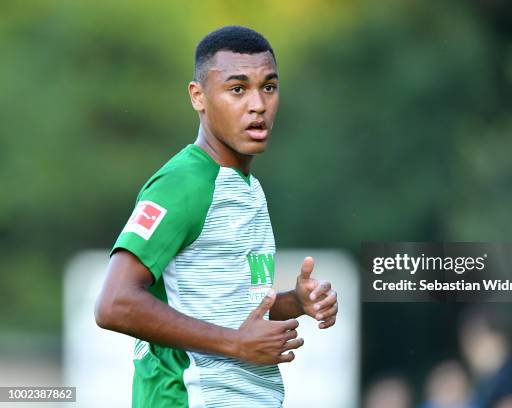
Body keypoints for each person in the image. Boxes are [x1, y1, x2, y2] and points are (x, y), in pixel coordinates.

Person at [94, 25, 339, 408]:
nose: (257, 104)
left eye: (269, 87)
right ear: (199, 97)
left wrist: (295, 302)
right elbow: (114, 303)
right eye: (237, 89)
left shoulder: (246, 188)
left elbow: (223, 306)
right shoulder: (182, 184)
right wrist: (236, 343)